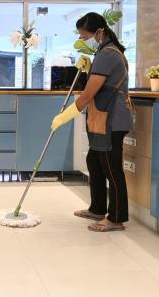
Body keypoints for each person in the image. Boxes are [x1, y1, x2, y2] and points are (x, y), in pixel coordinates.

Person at [51, 12, 134, 232]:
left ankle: (116, 218)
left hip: (111, 119)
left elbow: (89, 93)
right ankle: (97, 208)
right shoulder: (103, 51)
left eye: (85, 34)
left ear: (99, 30)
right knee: (94, 162)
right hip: (103, 117)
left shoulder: (108, 53)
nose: (85, 38)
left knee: (111, 168)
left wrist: (66, 115)